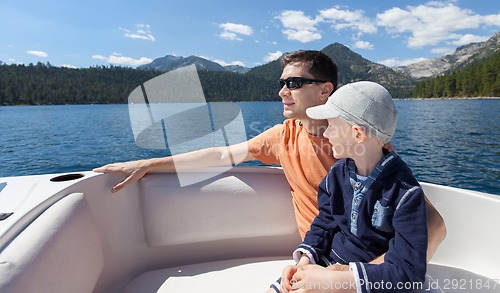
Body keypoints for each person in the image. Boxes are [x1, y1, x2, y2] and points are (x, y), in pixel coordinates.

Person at [94, 50, 445, 260]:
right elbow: (221, 155)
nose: (282, 92)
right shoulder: (283, 136)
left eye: (293, 83)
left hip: (362, 265)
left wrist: (375, 276)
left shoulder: (362, 146)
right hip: (316, 255)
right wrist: (149, 164)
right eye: (282, 83)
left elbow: (434, 226)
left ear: (325, 91)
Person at [272, 81, 427, 293]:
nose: (326, 134)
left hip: (366, 282)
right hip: (326, 265)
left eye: (331, 126)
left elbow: (408, 273)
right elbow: (325, 222)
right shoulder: (338, 174)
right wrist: (305, 261)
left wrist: (336, 282)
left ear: (357, 134)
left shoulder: (405, 193)